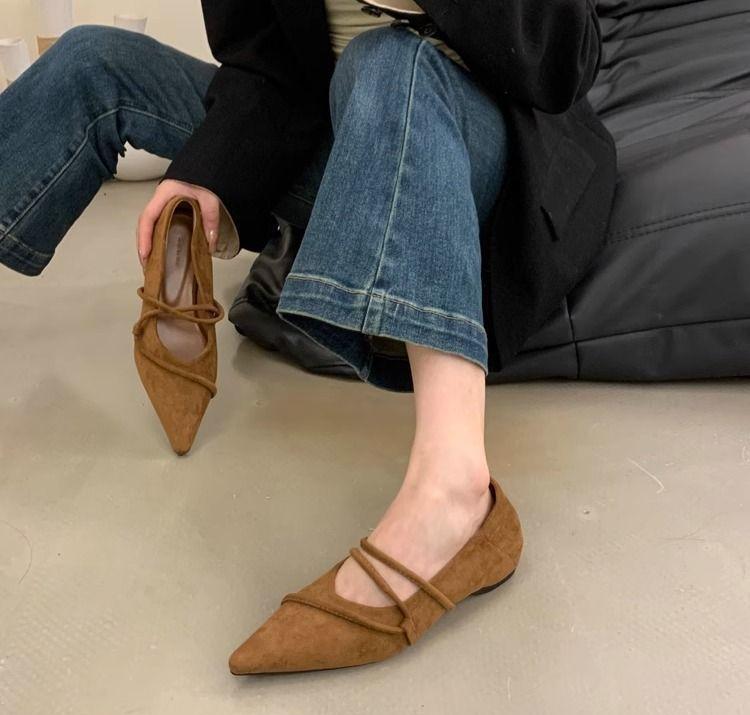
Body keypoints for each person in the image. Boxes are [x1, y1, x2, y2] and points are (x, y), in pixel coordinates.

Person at [0, 0, 617, 674]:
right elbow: (267, 66)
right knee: (92, 58)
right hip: (343, 140)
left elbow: (568, 59)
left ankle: (456, 487)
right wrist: (208, 172)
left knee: (384, 58)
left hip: (495, 160)